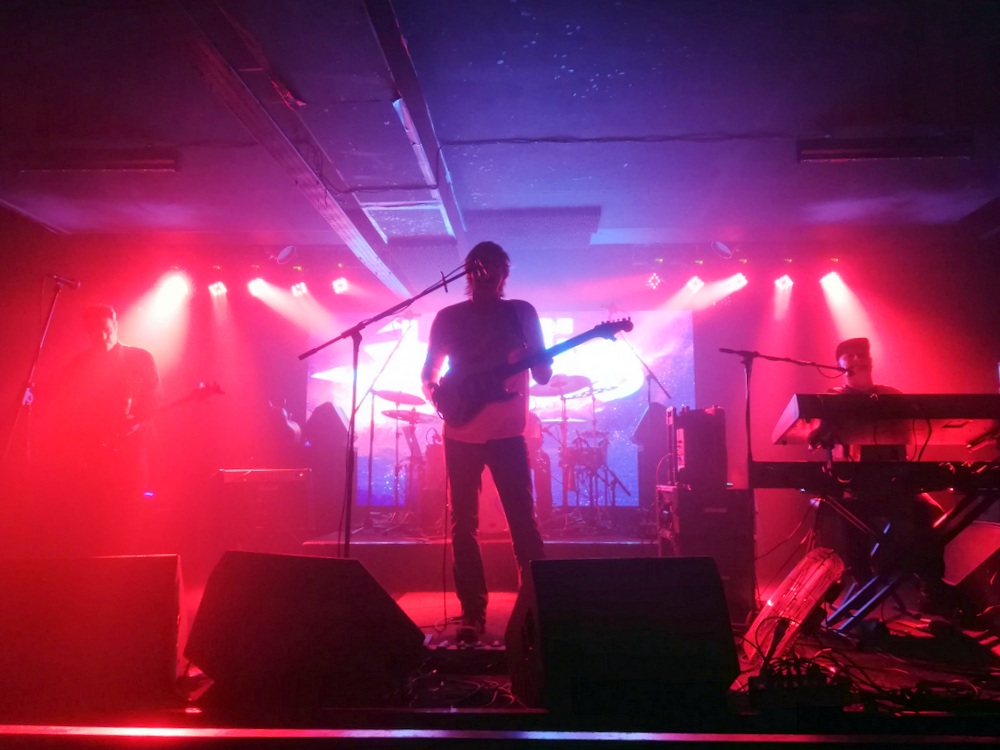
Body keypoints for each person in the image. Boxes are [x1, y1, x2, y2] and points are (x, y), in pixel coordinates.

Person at [421, 241, 552, 643]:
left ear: (503, 275)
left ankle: (537, 608)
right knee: (464, 525)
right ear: (467, 273)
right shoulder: (448, 317)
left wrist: (538, 358)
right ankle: (472, 613)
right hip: (460, 432)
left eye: (492, 268)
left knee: (522, 522)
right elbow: (429, 374)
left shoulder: (521, 313)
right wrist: (440, 400)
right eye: (477, 268)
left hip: (508, 432)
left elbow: (543, 374)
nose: (485, 274)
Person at [810, 337, 951, 615]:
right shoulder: (834, 398)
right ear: (838, 365)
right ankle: (863, 578)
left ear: (871, 360)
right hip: (855, 486)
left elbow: (916, 427)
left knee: (931, 511)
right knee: (849, 510)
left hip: (897, 483)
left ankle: (930, 584)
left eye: (861, 354)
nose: (856, 359)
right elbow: (816, 437)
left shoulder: (891, 395)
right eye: (849, 355)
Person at [43, 304, 162, 556]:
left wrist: (138, 423)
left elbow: (154, 400)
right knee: (95, 510)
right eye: (95, 331)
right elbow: (68, 407)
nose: (102, 336)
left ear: (116, 325)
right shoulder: (80, 364)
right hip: (94, 450)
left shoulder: (140, 358)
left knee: (130, 508)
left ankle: (129, 561)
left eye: (106, 330)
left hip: (131, 448)